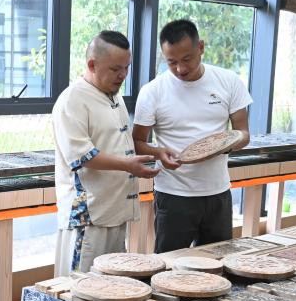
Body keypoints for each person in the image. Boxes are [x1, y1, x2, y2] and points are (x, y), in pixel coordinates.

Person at [133, 19, 252, 253]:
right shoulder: (152, 92)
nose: (180, 69)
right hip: (173, 195)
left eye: (186, 59)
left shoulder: (228, 81)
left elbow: (244, 133)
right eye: (171, 62)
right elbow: (137, 142)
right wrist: (158, 153)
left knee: (218, 260)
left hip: (218, 192)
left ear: (201, 47)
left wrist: (222, 145)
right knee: (169, 264)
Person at [52, 30, 160, 276]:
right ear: (92, 64)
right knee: (81, 286)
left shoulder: (113, 96)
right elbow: (82, 156)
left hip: (115, 210)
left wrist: (155, 153)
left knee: (112, 283)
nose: (123, 75)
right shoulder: (73, 100)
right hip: (88, 217)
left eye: (126, 67)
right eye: (115, 69)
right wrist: (128, 165)